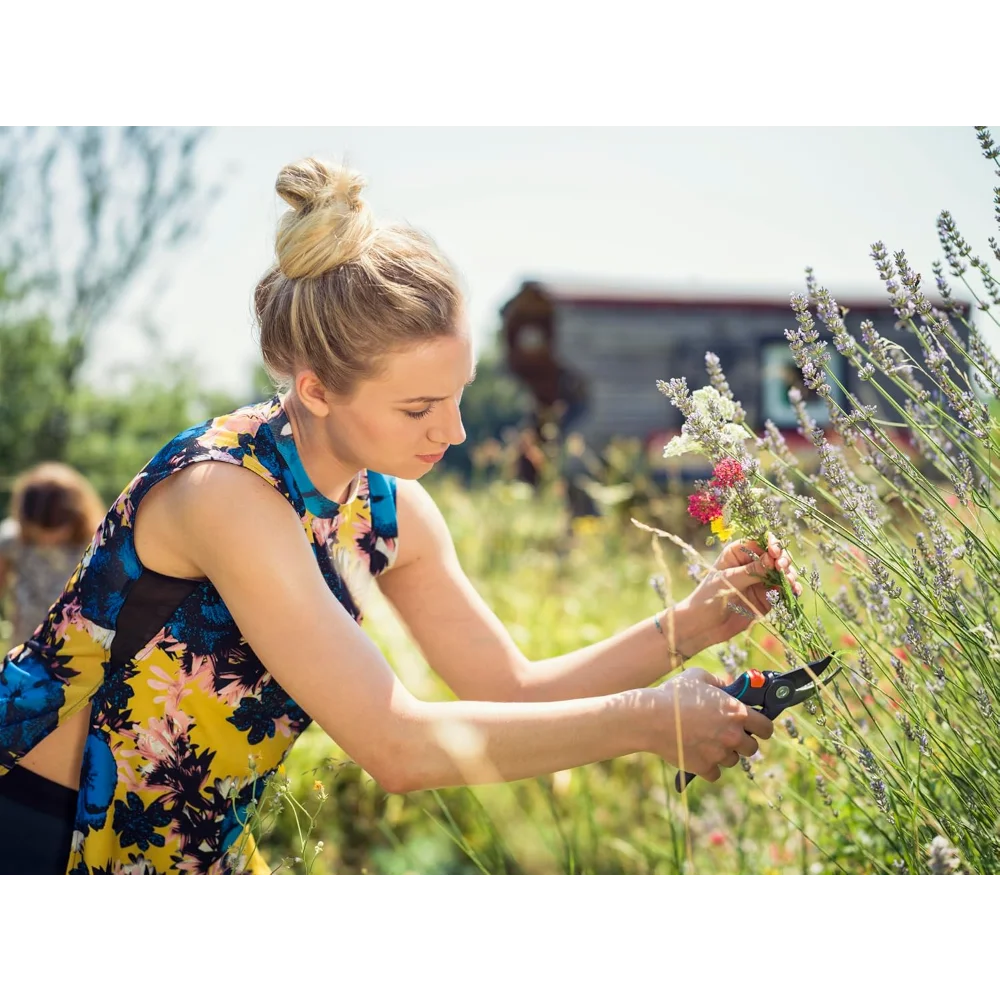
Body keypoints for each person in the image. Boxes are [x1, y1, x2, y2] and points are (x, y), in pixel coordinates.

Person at [0, 158, 801, 879]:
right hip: (39, 822)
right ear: (314, 389)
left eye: (458, 396)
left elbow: (512, 688)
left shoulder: (390, 513)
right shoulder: (225, 493)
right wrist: (647, 721)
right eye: (419, 407)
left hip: (182, 842)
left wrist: (691, 627)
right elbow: (397, 748)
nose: (452, 432)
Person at [0, 462, 105, 653]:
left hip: (80, 653)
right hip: (25, 649)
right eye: (38, 531)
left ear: (78, 517)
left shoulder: (99, 542)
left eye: (56, 530)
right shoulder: (12, 541)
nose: (47, 539)